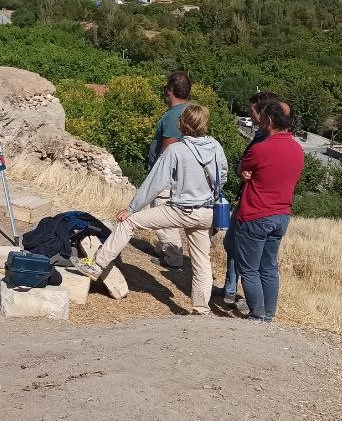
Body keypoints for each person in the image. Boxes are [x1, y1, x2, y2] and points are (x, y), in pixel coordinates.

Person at [78, 103, 227, 313]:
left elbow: (154, 183)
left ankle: (97, 264)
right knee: (202, 261)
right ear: (204, 123)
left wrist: (131, 208)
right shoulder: (215, 146)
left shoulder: (176, 150)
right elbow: (223, 176)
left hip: (180, 210)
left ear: (182, 123)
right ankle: (201, 309)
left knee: (129, 222)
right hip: (206, 212)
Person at [229, 99, 304, 323]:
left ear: (269, 121)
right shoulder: (297, 149)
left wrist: (244, 173)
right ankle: (269, 315)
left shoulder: (261, 149)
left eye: (262, 118)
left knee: (249, 269)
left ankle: (258, 314)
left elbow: (243, 166)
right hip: (281, 216)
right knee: (269, 267)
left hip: (255, 215)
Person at [221, 92, 283, 314]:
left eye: (253, 112)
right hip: (268, 209)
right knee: (239, 250)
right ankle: (236, 293)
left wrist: (243, 171)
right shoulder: (265, 138)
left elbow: (246, 165)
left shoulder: (266, 141)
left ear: (265, 114)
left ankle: (255, 309)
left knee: (252, 265)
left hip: (255, 208)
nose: (250, 116)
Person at [148, 72, 193, 269]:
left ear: (170, 91)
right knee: (161, 209)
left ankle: (173, 257)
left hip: (167, 174)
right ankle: (163, 248)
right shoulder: (191, 110)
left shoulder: (174, 114)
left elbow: (168, 148)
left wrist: (157, 173)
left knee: (162, 209)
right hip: (182, 173)